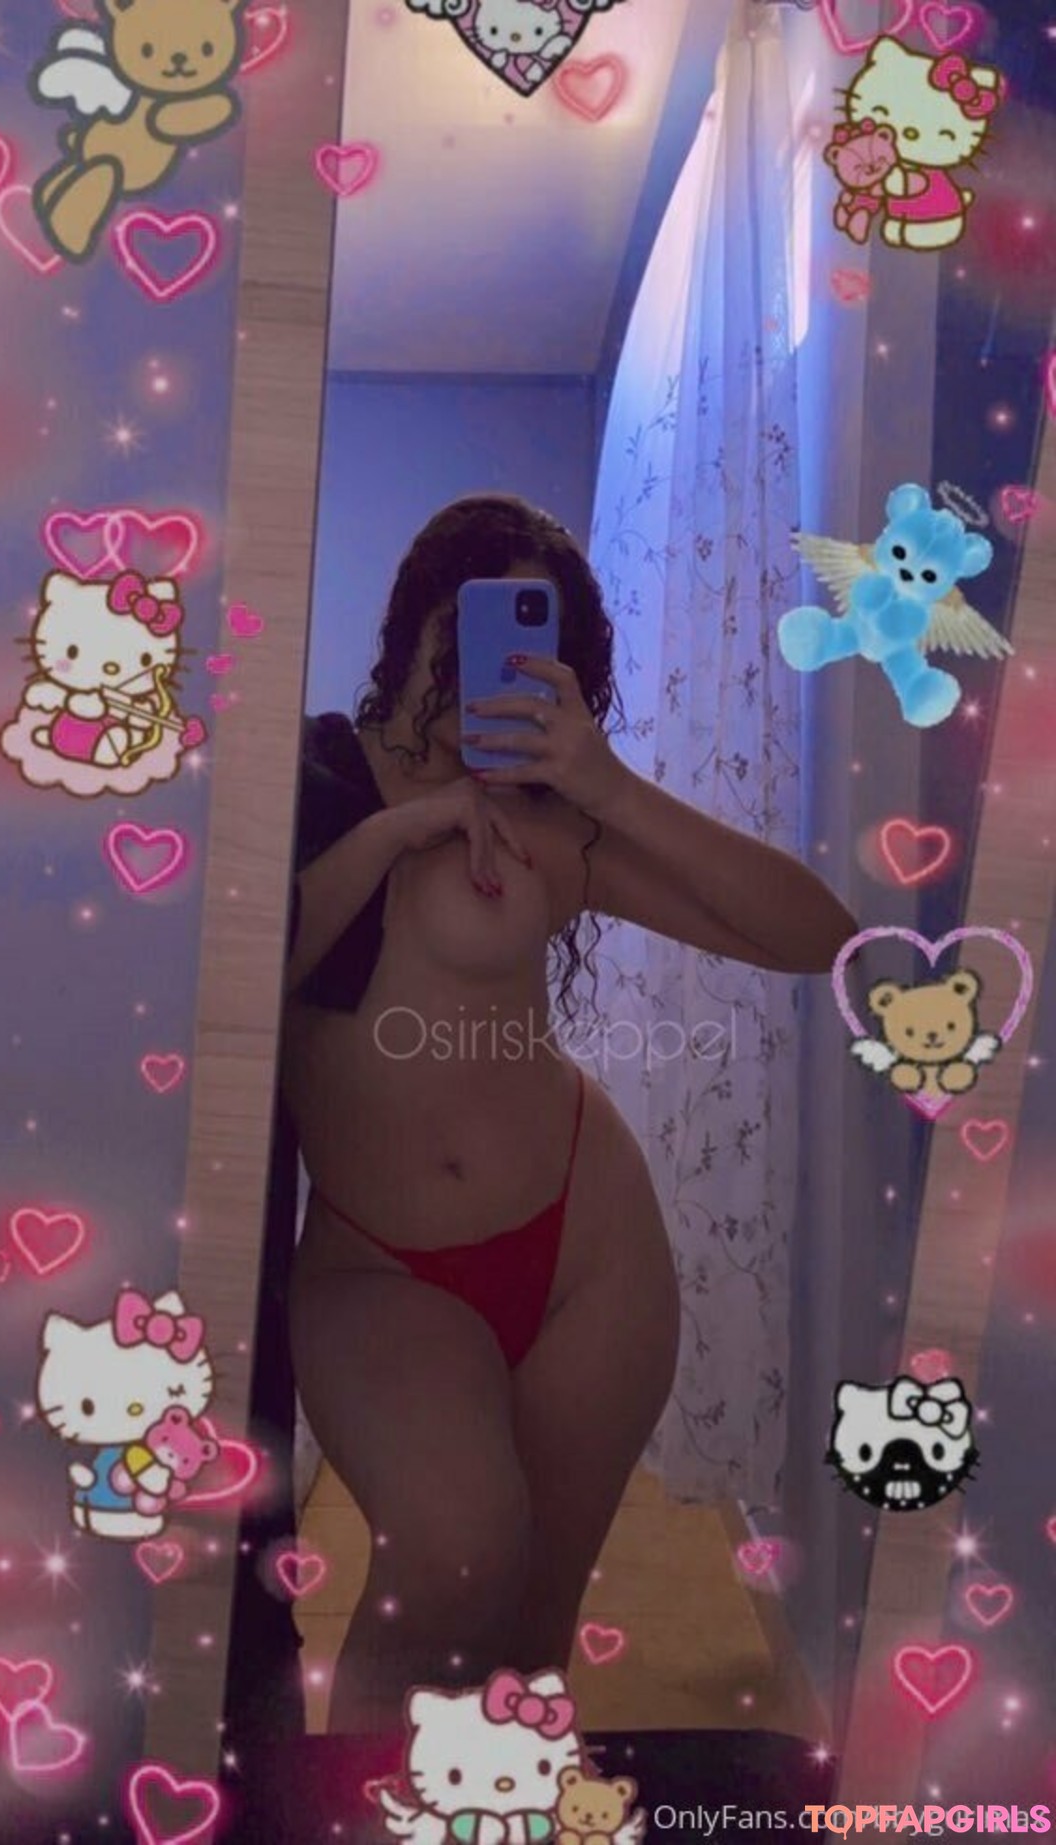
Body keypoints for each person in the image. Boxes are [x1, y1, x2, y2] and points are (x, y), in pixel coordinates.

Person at [278, 493, 856, 1745]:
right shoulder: (315, 780)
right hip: (382, 1267)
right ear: (416, 625)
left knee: (533, 1636)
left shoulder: (553, 820)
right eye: (468, 626)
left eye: (533, 641)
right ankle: (358, 1817)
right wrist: (396, 834)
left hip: (593, 1252)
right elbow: (248, 969)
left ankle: (498, 1811)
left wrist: (611, 788)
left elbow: (821, 940)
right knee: (453, 1561)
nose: (486, 667)